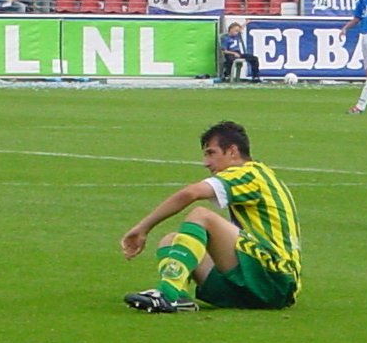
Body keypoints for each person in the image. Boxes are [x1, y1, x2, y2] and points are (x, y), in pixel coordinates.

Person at [121, 121, 301, 313]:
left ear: (232, 151)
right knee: (170, 241)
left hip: (276, 279)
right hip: (254, 285)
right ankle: (180, 298)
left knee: (201, 216)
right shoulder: (258, 176)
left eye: (211, 153)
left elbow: (191, 193)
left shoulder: (250, 174)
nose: (206, 162)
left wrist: (143, 228)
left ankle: (167, 295)